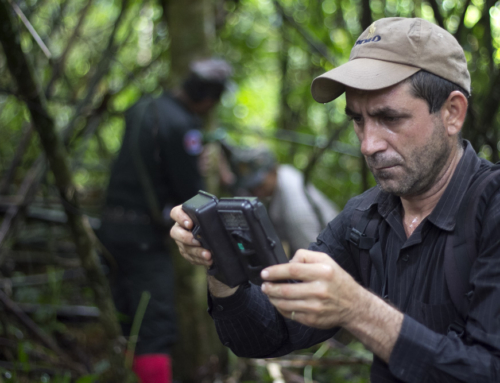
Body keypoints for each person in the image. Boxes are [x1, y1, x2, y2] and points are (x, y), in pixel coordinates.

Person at [170, 17, 500, 382]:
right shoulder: (364, 219)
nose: (368, 144)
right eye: (358, 120)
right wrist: (223, 268)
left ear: (452, 113)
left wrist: (359, 310)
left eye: (389, 117)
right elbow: (272, 331)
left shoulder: (491, 211)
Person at [97, 58, 231, 383]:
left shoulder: (143, 107)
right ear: (209, 99)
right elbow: (189, 194)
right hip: (144, 238)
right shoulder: (184, 126)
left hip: (109, 230)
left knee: (127, 319)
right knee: (155, 328)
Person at [227, 144, 338, 255]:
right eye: (250, 186)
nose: (255, 190)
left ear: (274, 170)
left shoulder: (296, 212)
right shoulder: (282, 174)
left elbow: (314, 257)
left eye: (259, 184)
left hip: (328, 250)